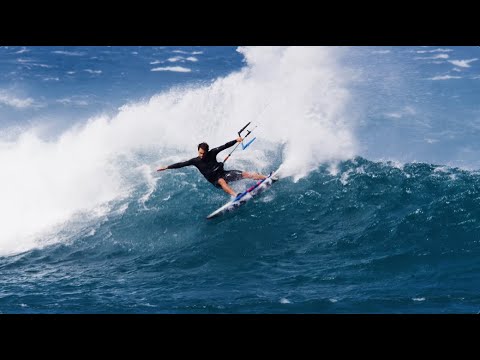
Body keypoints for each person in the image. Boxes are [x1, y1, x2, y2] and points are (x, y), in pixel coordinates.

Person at [157, 137, 267, 197]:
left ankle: (267, 177)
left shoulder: (213, 152)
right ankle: (236, 195)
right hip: (216, 181)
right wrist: (166, 167)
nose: (201, 155)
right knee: (221, 181)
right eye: (200, 153)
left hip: (223, 174)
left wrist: (236, 140)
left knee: (245, 174)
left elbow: (224, 146)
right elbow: (181, 164)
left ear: (207, 151)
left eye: (203, 153)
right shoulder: (195, 161)